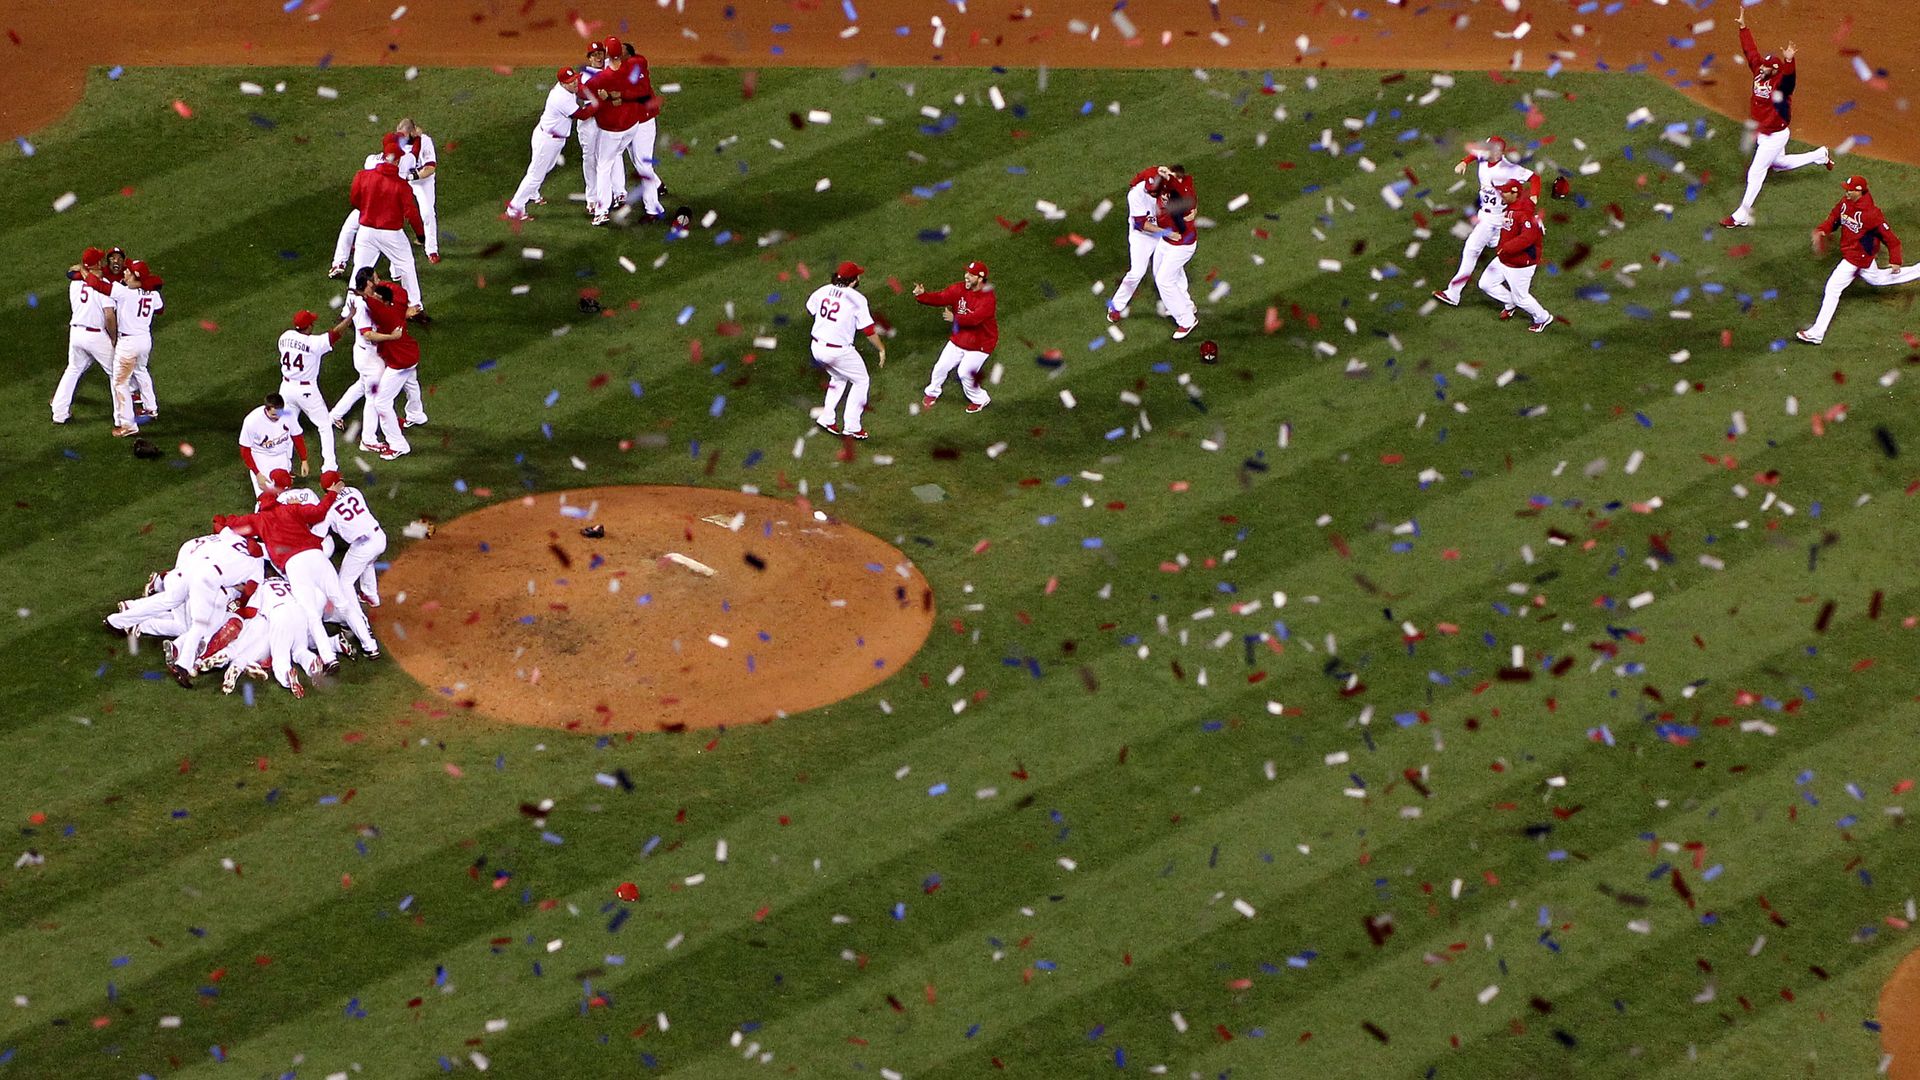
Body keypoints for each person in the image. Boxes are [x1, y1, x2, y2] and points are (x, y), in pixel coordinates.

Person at [1721, 6, 1831, 229]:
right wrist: (1744, 27)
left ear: (1775, 71)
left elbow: (1791, 80)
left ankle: (1741, 215)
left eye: (1767, 68)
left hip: (1776, 134)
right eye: (1762, 66)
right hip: (1764, 133)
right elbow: (1750, 52)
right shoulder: (1760, 71)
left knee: (1756, 172)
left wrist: (1789, 61)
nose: (1761, 69)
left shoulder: (1781, 84)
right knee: (1779, 163)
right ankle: (1820, 155)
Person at [1795, 175, 1918, 344]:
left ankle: (1817, 333)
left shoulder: (1872, 214)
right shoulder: (1846, 203)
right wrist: (1823, 230)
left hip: (1857, 258)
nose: (1846, 191)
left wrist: (1895, 259)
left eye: (1849, 189)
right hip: (1856, 256)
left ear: (1859, 191)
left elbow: (1891, 239)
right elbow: (1834, 218)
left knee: (1832, 288)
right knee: (1878, 279)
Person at [1433, 136, 1540, 307]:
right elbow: (1475, 155)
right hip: (1487, 216)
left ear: (1498, 151)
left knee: (1471, 250)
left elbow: (1534, 178)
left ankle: (1453, 294)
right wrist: (1464, 162)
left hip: (1495, 219)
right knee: (1500, 247)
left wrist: (1533, 197)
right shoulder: (1484, 156)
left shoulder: (1509, 169)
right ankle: (1525, 253)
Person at [346, 133, 428, 319]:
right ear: (397, 161)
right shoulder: (401, 186)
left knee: (360, 268)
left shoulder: (363, 176)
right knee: (406, 266)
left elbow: (354, 200)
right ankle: (415, 307)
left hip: (366, 231)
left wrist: (368, 210)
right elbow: (412, 214)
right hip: (392, 234)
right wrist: (421, 235)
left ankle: (348, 310)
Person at [804, 261, 886, 439]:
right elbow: (868, 330)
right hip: (838, 351)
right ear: (853, 280)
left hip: (817, 347)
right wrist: (881, 349)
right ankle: (852, 426)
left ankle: (827, 418)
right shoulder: (857, 299)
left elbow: (810, 309)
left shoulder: (823, 290)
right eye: (858, 275)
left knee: (838, 377)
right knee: (861, 380)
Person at [507, 68, 593, 220]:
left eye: (575, 80)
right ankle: (514, 208)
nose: (575, 83)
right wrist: (598, 102)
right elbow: (583, 115)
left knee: (547, 167)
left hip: (551, 138)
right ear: (562, 83)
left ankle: (533, 193)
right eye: (570, 82)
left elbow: (579, 89)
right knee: (535, 175)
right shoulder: (560, 97)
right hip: (547, 141)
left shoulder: (566, 87)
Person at [913, 260, 998, 412]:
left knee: (964, 373)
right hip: (960, 338)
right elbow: (941, 297)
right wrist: (923, 296)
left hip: (981, 343)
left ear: (980, 279)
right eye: (966, 273)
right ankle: (932, 392)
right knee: (941, 366)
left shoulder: (988, 298)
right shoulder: (959, 289)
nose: (966, 276)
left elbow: (975, 319)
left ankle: (981, 399)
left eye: (971, 275)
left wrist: (955, 319)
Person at [275, 308, 352, 472]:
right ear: (308, 327)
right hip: (306, 393)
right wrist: (350, 316)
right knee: (324, 425)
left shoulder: (285, 336)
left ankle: (284, 466)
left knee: (286, 424)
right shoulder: (314, 343)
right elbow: (335, 335)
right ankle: (330, 467)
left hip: (286, 390)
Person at [358, 275, 423, 459]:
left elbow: (372, 305)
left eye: (379, 299)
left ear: (386, 303)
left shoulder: (385, 314)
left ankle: (398, 444)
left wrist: (361, 293)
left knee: (381, 402)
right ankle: (416, 414)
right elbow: (398, 291)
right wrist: (378, 283)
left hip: (400, 361)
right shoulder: (399, 303)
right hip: (411, 353)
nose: (375, 300)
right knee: (411, 384)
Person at [1476, 179, 1553, 332]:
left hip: (1521, 263)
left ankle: (1542, 317)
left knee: (1522, 297)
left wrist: (1505, 248)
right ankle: (1510, 303)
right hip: (1505, 258)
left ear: (1514, 193)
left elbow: (1528, 237)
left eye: (1504, 191)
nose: (1501, 194)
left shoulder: (1524, 212)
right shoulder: (1512, 207)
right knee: (1485, 283)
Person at [50, 247, 116, 426]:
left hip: (76, 333)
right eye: (100, 261)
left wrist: (82, 269)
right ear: (97, 264)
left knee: (73, 369)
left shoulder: (74, 282)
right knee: (117, 373)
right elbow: (109, 316)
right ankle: (123, 419)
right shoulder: (101, 285)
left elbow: (72, 271)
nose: (103, 263)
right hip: (96, 336)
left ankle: (59, 413)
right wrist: (114, 338)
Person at [101, 259, 165, 436]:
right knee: (141, 370)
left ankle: (128, 425)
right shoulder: (153, 295)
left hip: (128, 343)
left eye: (128, 271)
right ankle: (151, 408)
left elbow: (97, 285)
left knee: (120, 383)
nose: (124, 273)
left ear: (136, 276)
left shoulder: (124, 293)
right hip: (144, 340)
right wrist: (147, 287)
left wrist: (84, 272)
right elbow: (160, 309)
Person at [1106, 165, 1170, 322]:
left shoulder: (1170, 189)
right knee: (1137, 272)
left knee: (1168, 272)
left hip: (1163, 233)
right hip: (1142, 236)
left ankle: (1176, 306)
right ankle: (1116, 307)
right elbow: (1142, 224)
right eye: (1149, 189)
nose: (1151, 192)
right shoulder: (1136, 194)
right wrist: (1166, 233)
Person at [1153, 165, 1199, 340]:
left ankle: (1187, 320)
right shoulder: (1170, 186)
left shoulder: (1185, 195)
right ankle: (1185, 305)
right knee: (1166, 274)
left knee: (1164, 280)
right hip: (1166, 240)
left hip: (1182, 245)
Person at [238, 393, 310, 496]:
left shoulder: (288, 414)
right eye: (274, 415)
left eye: (280, 414)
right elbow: (245, 449)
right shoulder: (252, 421)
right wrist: (257, 473)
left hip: (281, 455)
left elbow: (297, 436)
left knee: (284, 494)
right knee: (266, 497)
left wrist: (304, 459)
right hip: (262, 458)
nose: (278, 417)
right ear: (266, 410)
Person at [394, 119, 440, 263]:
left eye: (405, 135)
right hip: (404, 181)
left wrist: (412, 176)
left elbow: (430, 168)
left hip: (423, 182)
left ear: (413, 132)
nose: (402, 139)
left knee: (427, 213)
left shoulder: (425, 141)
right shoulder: (397, 141)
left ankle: (432, 250)